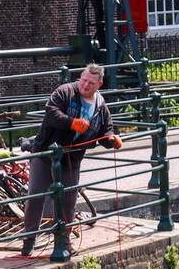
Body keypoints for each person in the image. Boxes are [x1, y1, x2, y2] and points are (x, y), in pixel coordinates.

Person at [20, 63, 123, 256]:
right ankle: (28, 241)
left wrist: (112, 140)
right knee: (35, 196)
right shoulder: (65, 92)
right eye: (84, 80)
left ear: (99, 84)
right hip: (46, 153)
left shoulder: (100, 107)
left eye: (91, 83)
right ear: (80, 77)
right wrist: (72, 123)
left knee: (68, 201)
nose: (85, 86)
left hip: (72, 159)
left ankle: (64, 243)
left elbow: (106, 129)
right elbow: (51, 113)